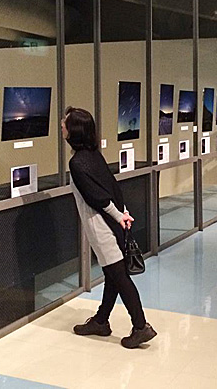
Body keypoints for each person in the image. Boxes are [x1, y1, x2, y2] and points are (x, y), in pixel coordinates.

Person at [62, 107, 157, 349]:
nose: (61, 127)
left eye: (64, 124)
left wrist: (118, 216)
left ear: (73, 130)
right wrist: (123, 214)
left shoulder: (77, 163)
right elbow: (112, 188)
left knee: (119, 277)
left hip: (103, 228)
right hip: (114, 223)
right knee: (112, 275)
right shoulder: (94, 155)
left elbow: (97, 197)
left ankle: (140, 326)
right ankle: (101, 320)